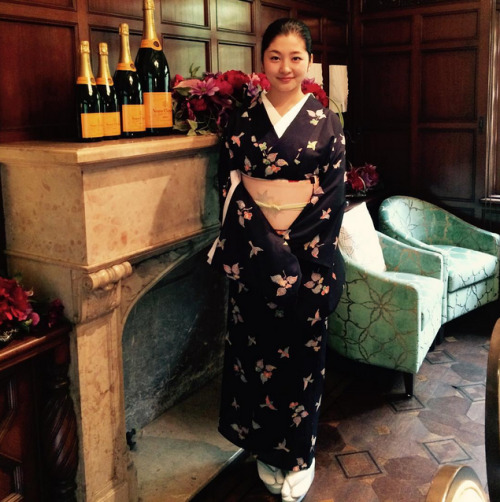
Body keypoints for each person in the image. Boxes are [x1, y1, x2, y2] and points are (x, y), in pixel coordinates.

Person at [208, 18, 346, 502]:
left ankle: (300, 455)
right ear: (260, 60)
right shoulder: (242, 122)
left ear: (310, 63)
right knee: (256, 359)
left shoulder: (326, 123)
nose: (285, 67)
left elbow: (330, 198)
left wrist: (294, 260)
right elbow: (229, 188)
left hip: (308, 269)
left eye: (295, 57)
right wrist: (271, 253)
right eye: (275, 57)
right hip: (255, 265)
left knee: (302, 363)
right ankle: (268, 452)